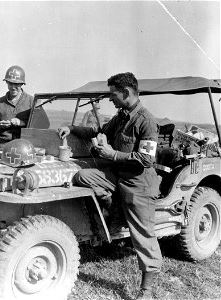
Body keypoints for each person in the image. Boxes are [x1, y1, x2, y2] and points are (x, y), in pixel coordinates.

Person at [58, 72, 161, 300]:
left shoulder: (146, 120)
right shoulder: (121, 116)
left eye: (112, 94)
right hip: (117, 177)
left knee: (144, 234)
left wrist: (113, 155)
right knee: (83, 176)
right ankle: (112, 209)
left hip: (138, 184)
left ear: (125, 93)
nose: (110, 99)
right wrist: (72, 127)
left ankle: (147, 289)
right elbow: (98, 132)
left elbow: (146, 160)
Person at [0, 66, 34, 150]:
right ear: (6, 82)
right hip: (2, 146)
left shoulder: (31, 101)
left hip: (24, 147)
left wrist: (22, 123)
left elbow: (41, 125)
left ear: (22, 84)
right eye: (10, 83)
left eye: (16, 84)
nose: (13, 87)